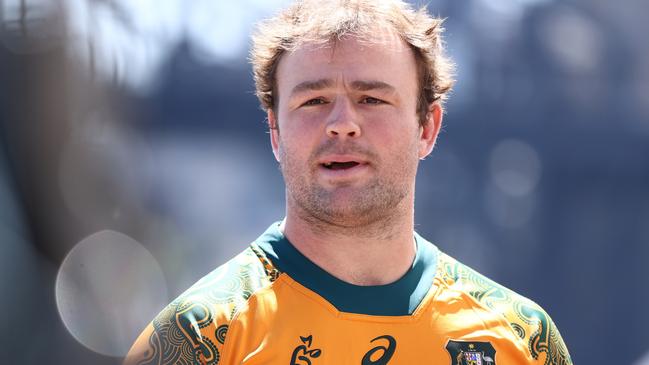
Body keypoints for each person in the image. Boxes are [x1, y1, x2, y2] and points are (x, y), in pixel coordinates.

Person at [124, 1, 572, 364]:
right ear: (275, 131)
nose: (342, 125)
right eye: (314, 100)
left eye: (371, 99)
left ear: (427, 127)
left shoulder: (522, 340)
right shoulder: (197, 340)